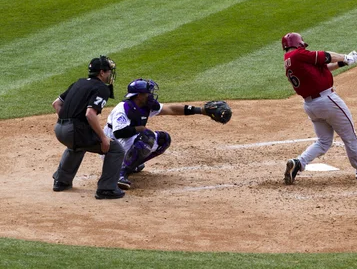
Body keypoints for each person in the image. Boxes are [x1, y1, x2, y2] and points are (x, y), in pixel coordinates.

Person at [104, 78, 232, 190]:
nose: (151, 95)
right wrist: (140, 129)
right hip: (113, 148)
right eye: (148, 93)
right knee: (146, 136)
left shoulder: (145, 106)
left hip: (125, 142)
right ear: (139, 96)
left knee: (163, 139)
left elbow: (171, 109)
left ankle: (131, 165)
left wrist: (201, 110)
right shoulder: (123, 108)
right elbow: (119, 132)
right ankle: (121, 173)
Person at [281, 32, 357, 184]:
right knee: (349, 135)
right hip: (327, 100)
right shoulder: (299, 54)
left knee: (324, 141)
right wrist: (344, 56)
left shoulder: (289, 61)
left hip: (311, 105)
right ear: (298, 44)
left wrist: (345, 61)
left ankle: (298, 163)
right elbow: (326, 56)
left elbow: (324, 68)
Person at [52, 55, 125, 200]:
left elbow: (56, 104)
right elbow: (90, 114)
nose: (110, 74)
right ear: (102, 73)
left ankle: (61, 181)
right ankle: (107, 189)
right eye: (108, 71)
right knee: (115, 149)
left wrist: (67, 123)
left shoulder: (78, 82)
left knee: (78, 143)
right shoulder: (101, 88)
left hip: (59, 129)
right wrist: (103, 138)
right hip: (73, 131)